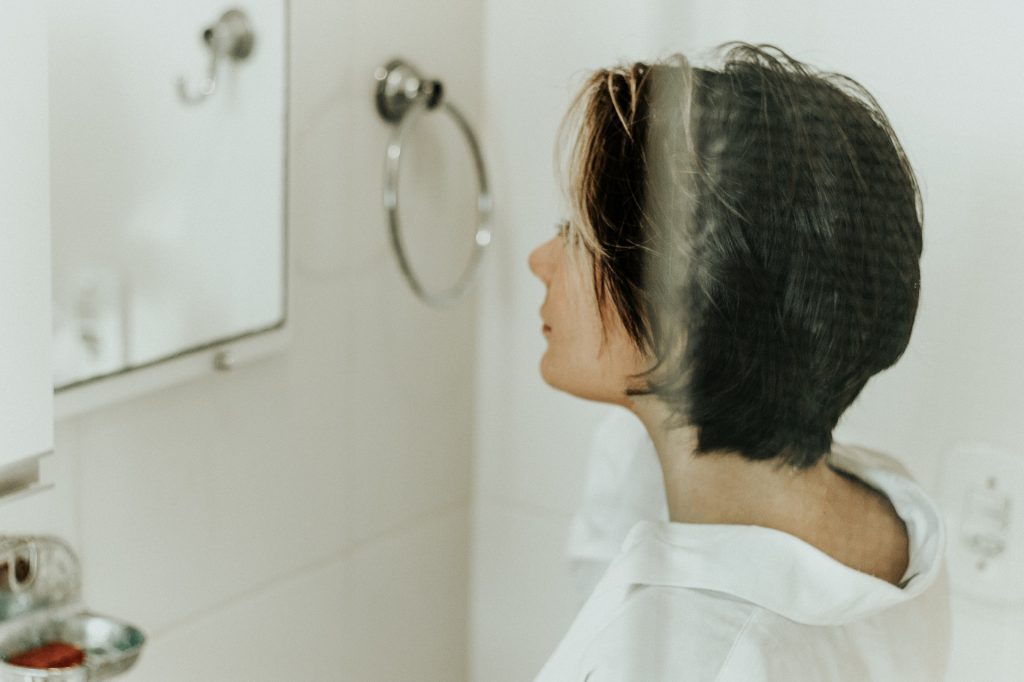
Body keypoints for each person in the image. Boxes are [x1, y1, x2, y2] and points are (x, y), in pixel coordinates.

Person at [529, 42, 951, 681]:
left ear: (680, 329)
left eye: (575, 237)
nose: (541, 261)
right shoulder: (893, 516)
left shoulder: (680, 654)